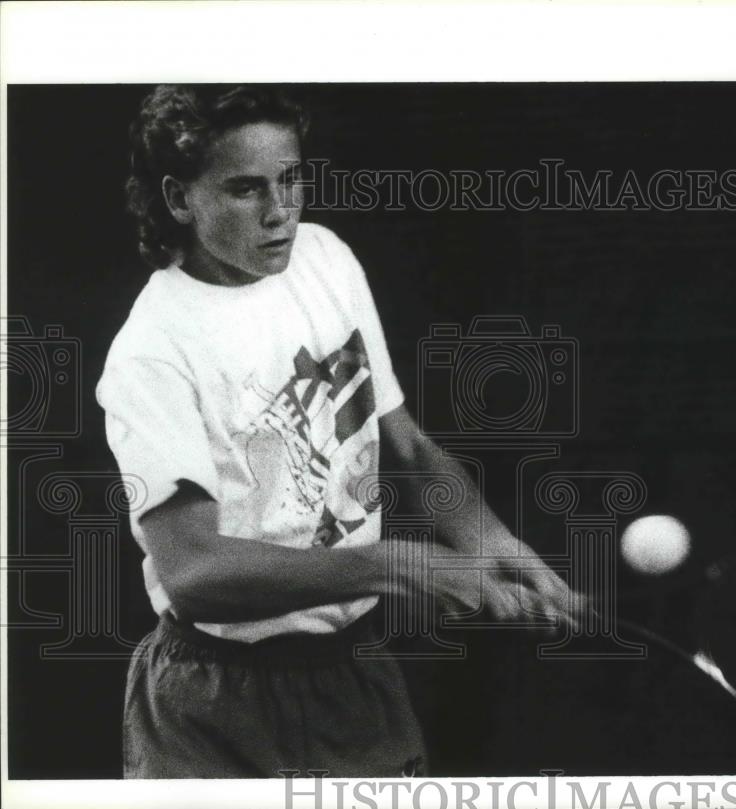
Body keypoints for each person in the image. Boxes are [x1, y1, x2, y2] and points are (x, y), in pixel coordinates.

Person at [97, 84, 578, 779]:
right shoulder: (152, 351)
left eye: (291, 180)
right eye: (245, 189)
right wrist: (394, 565)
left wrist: (488, 538)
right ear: (178, 198)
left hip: (352, 674)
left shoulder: (324, 259)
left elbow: (405, 445)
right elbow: (194, 572)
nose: (280, 212)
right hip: (212, 701)